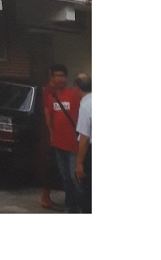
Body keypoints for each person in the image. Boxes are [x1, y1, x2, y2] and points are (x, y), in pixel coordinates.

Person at [44, 63, 82, 213]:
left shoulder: (74, 95)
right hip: (58, 144)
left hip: (74, 145)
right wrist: (52, 134)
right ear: (52, 78)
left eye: (62, 76)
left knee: (75, 178)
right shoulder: (51, 97)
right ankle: (70, 205)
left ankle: (81, 206)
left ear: (67, 78)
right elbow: (49, 118)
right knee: (65, 178)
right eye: (57, 76)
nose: (60, 79)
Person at [39, 66, 61, 210]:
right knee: (48, 164)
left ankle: (46, 197)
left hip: (55, 132)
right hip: (49, 133)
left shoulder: (55, 90)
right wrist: (52, 133)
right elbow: (48, 113)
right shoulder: (48, 91)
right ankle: (45, 198)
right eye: (57, 76)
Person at [74, 73, 92, 214]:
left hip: (91, 153)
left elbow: (84, 138)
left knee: (88, 192)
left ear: (77, 88)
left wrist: (79, 163)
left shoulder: (85, 106)